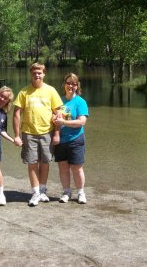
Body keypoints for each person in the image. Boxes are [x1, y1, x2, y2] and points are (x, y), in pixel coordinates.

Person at [13, 63, 63, 207]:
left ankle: (42, 190)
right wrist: (16, 135)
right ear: (31, 74)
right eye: (34, 73)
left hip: (47, 132)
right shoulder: (24, 92)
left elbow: (58, 113)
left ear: (44, 74)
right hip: (29, 133)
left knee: (45, 162)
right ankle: (35, 192)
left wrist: (57, 134)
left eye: (39, 73)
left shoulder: (51, 91)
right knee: (32, 162)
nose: (37, 75)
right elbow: (16, 114)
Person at [53, 73, 89, 204]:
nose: (70, 86)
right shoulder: (58, 100)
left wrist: (63, 122)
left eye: (74, 84)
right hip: (60, 140)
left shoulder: (80, 101)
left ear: (77, 86)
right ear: (64, 84)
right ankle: (66, 192)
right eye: (68, 83)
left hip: (75, 139)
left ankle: (81, 193)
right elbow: (53, 117)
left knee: (77, 168)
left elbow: (81, 122)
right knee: (63, 167)